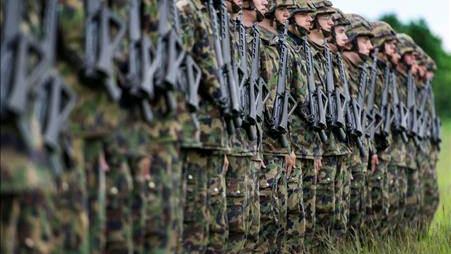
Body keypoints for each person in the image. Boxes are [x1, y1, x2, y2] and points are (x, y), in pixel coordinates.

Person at [342, 13, 376, 234]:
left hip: (360, 152)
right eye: (365, 40)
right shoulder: (338, 69)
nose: (371, 47)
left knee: (357, 211)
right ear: (352, 40)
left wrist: (371, 148)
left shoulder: (360, 73)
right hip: (343, 150)